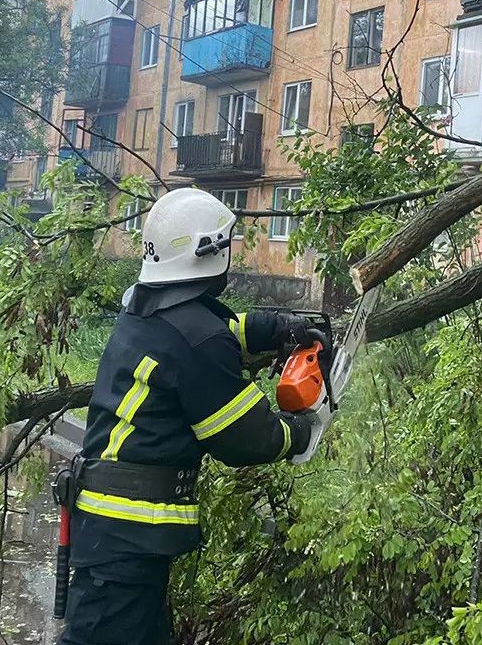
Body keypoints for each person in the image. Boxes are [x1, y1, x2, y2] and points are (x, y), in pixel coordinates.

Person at [59, 188, 323, 645]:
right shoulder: (196, 338)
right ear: (211, 253)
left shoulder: (147, 308)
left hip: (116, 534)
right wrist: (299, 431)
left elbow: (213, 334)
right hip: (127, 539)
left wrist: (276, 327)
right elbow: (245, 438)